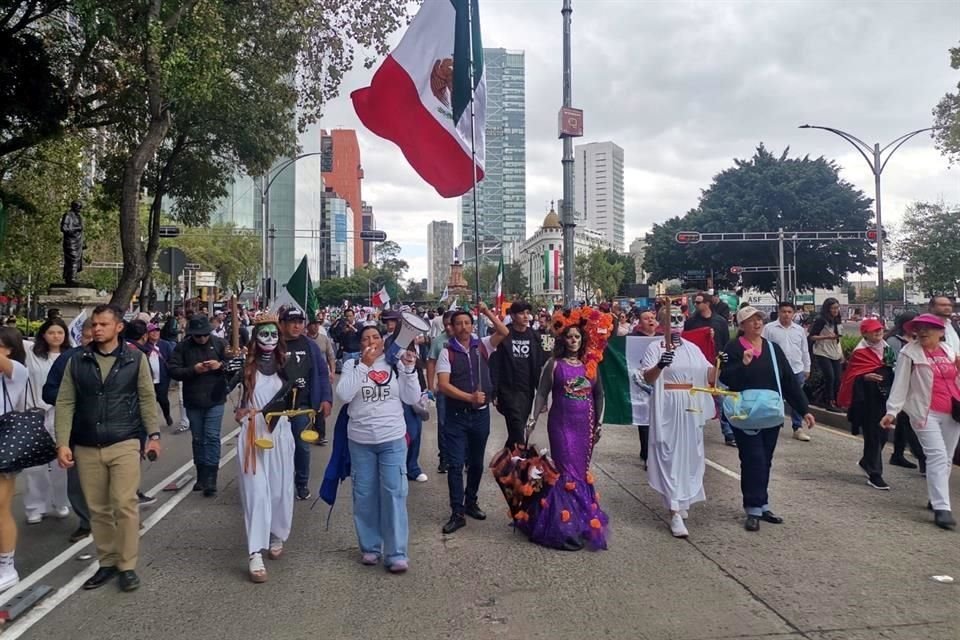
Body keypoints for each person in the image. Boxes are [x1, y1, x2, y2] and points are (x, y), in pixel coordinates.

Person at [55, 304, 161, 592]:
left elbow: (146, 397)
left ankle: (127, 566)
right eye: (94, 324)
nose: (97, 328)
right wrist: (62, 442)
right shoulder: (77, 361)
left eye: (103, 324)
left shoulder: (134, 358)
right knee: (98, 509)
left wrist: (153, 435)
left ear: (118, 327)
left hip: (124, 440)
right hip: (87, 444)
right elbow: (65, 402)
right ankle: (107, 562)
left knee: (124, 504)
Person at [720, 306, 815, 532]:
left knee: (766, 459)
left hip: (770, 414)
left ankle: (762, 504)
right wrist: (742, 364)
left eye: (759, 319)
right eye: (751, 320)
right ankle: (752, 507)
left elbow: (789, 381)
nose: (757, 323)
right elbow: (724, 378)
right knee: (752, 458)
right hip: (745, 413)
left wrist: (804, 409)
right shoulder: (732, 348)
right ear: (741, 325)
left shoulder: (773, 349)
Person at [337, 325, 422, 572]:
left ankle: (396, 553)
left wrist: (409, 369)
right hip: (361, 441)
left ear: (383, 341)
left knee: (394, 493)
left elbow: (411, 397)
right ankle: (370, 547)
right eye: (365, 338)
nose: (371, 341)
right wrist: (364, 365)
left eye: (375, 337)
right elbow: (344, 394)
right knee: (364, 495)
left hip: (392, 439)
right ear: (360, 343)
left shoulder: (394, 365)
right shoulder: (353, 366)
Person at [520, 323, 607, 550]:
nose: (573, 341)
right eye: (569, 337)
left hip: (585, 427)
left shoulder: (591, 366)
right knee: (566, 471)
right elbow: (541, 393)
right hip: (561, 425)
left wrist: (599, 423)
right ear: (563, 340)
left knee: (579, 472)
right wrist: (532, 418)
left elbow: (599, 396)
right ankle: (564, 528)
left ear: (583, 340)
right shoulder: (554, 364)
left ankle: (580, 523)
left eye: (577, 337)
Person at [881, 313, 960, 530]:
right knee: (937, 455)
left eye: (930, 328)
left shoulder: (948, 351)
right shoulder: (910, 353)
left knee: (947, 458)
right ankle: (942, 508)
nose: (924, 332)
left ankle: (937, 495)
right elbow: (900, 384)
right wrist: (892, 411)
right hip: (924, 412)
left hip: (952, 411)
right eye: (920, 328)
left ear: (941, 332)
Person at [436, 303, 509, 535]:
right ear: (452, 327)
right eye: (459, 323)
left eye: (467, 322)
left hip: (480, 417)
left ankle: (471, 501)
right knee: (456, 465)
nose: (464, 327)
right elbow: (444, 385)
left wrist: (486, 312)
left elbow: (504, 332)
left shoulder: (483, 345)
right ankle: (457, 512)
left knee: (476, 463)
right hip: (456, 416)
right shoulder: (446, 352)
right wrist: (470, 397)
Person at [232, 314, 295, 583]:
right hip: (253, 433)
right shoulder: (245, 366)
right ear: (255, 338)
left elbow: (300, 391)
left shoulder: (286, 364)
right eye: (263, 334)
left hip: (280, 432)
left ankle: (276, 532)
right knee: (256, 493)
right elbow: (219, 393)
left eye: (273, 334)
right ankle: (254, 552)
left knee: (280, 490)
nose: (269, 339)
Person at [642, 330, 718, 538]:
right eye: (671, 318)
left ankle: (682, 498)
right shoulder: (655, 348)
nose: (675, 324)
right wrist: (660, 365)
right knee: (668, 456)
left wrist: (722, 362)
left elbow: (709, 375)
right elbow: (647, 378)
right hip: (667, 405)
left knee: (690, 455)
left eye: (679, 319)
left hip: (691, 405)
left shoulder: (693, 348)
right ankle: (673, 509)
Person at [167, 315, 231, 497]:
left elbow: (234, 365)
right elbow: (173, 370)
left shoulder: (219, 343)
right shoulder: (183, 347)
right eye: (198, 336)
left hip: (215, 397)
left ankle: (211, 477)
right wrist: (193, 370)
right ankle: (201, 474)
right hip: (193, 398)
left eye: (204, 335)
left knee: (211, 437)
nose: (202, 338)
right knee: (198, 438)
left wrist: (220, 365)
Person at [43, 319, 94, 542]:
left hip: (116, 432)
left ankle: (117, 519)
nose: (94, 341)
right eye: (89, 337)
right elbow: (49, 391)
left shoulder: (124, 358)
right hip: (78, 429)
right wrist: (71, 399)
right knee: (77, 481)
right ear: (81, 336)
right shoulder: (69, 359)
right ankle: (86, 521)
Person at [278, 306, 333, 500]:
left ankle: (301, 483)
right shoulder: (272, 343)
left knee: (301, 445)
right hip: (275, 406)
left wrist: (326, 399)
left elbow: (321, 373)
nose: (296, 326)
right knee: (276, 446)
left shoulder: (310, 345)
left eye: (300, 322)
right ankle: (277, 482)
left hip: (302, 405)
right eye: (292, 322)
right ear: (282, 324)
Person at [22, 318, 72, 525]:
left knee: (61, 463)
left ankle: (60, 502)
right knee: (34, 466)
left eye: (60, 332)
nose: (56, 336)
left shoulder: (71, 356)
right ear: (43, 334)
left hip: (60, 415)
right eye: (51, 332)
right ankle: (35, 506)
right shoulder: (31, 353)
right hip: (33, 414)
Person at [838, 319, 896, 490]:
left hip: (884, 397)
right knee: (873, 435)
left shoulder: (887, 348)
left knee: (883, 435)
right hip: (867, 400)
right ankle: (875, 474)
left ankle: (866, 462)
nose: (878, 332)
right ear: (865, 333)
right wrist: (865, 377)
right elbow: (850, 377)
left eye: (879, 329)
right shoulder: (860, 352)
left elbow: (892, 368)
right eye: (873, 330)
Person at [491, 301, 546, 449]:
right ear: (513, 316)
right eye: (522, 313)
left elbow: (539, 367)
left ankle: (505, 460)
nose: (526, 316)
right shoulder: (505, 334)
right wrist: (494, 391)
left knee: (518, 428)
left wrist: (542, 396)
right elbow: (496, 364)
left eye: (528, 313)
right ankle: (520, 461)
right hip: (508, 389)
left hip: (526, 390)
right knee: (516, 427)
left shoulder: (534, 337)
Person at [0, 327, 29, 591]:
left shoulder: (16, 372)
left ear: (9, 349)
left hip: (3, 446)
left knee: (1, 507)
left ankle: (7, 566)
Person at [684, 292, 734, 446]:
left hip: (716, 366)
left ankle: (728, 432)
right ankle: (694, 429)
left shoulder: (720, 322)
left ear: (707, 303)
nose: (696, 305)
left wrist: (725, 363)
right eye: (695, 303)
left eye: (699, 302)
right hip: (697, 366)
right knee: (695, 398)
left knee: (721, 399)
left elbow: (726, 343)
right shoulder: (691, 322)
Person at [762, 302, 813, 441]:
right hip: (776, 370)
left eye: (789, 312)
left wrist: (806, 368)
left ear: (793, 313)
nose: (786, 314)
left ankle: (797, 427)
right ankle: (774, 424)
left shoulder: (799, 330)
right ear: (779, 312)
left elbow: (804, 350)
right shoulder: (769, 329)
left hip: (796, 369)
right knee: (775, 398)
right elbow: (763, 348)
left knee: (797, 398)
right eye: (783, 311)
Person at [885, 312, 925, 472]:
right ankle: (923, 458)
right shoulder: (893, 341)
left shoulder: (919, 342)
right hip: (900, 387)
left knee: (903, 423)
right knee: (909, 423)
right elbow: (889, 363)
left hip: (917, 389)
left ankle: (897, 454)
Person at [426, 312, 454, 474]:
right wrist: (431, 386)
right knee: (443, 424)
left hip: (463, 389)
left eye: (452, 323)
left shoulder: (466, 339)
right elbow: (431, 363)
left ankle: (463, 457)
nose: (449, 328)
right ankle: (444, 457)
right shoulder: (439, 341)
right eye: (446, 325)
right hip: (444, 389)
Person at [632, 310, 661, 466]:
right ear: (639, 322)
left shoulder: (663, 338)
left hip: (660, 384)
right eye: (646, 318)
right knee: (644, 420)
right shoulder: (633, 339)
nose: (650, 320)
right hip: (641, 385)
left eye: (652, 318)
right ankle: (647, 455)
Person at [809, 298, 844, 413]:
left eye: (837, 308)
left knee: (838, 378)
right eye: (833, 308)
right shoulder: (821, 320)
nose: (835, 310)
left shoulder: (837, 320)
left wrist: (841, 353)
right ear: (827, 309)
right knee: (830, 376)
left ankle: (834, 400)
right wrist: (827, 337)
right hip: (822, 351)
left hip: (835, 351)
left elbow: (838, 338)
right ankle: (829, 402)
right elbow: (812, 336)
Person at [306, 318, 337, 446]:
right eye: (312, 324)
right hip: (307, 376)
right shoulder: (303, 341)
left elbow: (331, 356)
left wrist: (332, 372)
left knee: (320, 404)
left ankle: (320, 434)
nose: (315, 326)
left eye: (317, 324)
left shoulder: (324, 339)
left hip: (321, 375)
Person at [146, 323, 175, 427]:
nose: (155, 333)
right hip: (148, 379)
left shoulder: (165, 345)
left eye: (157, 330)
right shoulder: (144, 346)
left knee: (163, 399)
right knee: (150, 401)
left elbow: (171, 359)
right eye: (152, 331)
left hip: (162, 378)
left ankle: (167, 415)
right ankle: (151, 422)